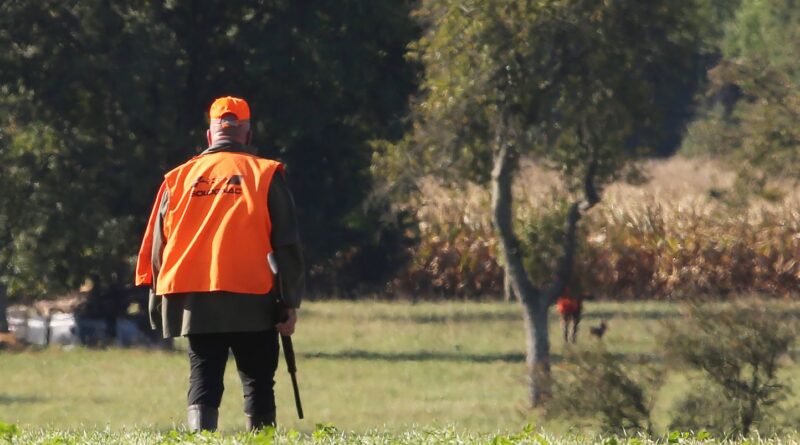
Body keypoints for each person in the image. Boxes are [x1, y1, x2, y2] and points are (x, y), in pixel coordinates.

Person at [135, 96, 304, 432]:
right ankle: (261, 439)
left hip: (197, 301)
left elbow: (158, 247)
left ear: (210, 136)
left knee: (204, 376)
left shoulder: (178, 178)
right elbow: (286, 244)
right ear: (248, 133)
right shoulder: (266, 174)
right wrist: (290, 302)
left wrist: (157, 300)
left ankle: (202, 439)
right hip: (254, 297)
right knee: (257, 379)